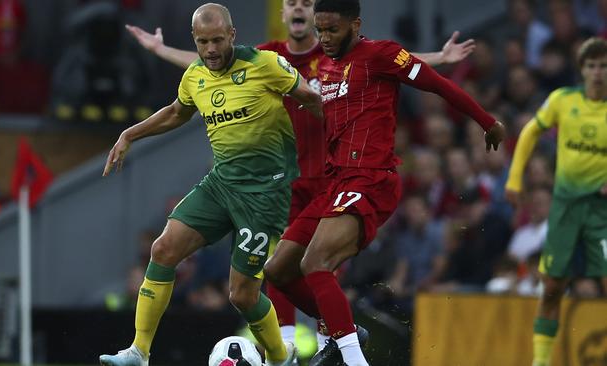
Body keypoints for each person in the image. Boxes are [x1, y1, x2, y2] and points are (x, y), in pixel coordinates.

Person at [125, 0, 475, 355]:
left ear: (315, 15)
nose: (298, 8)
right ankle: (290, 344)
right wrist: (161, 49)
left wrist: (438, 58)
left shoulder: (334, 55)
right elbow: (212, 64)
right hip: (289, 177)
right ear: (283, 14)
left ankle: (331, 340)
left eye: (306, 3)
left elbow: (389, 60)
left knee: (323, 263)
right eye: (291, 2)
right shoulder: (268, 56)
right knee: (280, 261)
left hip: (332, 176)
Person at [259, 0, 505, 364]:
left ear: (355, 25)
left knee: (315, 263)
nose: (324, 38)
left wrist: (487, 121)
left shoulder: (383, 55)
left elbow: (438, 85)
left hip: (371, 179)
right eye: (320, 30)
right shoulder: (325, 68)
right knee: (277, 270)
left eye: (332, 30)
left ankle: (353, 357)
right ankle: (341, 328)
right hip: (333, 184)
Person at [98, 3, 323, 366]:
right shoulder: (195, 76)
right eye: (204, 42)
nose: (212, 50)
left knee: (242, 295)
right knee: (163, 249)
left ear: (232, 35)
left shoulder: (265, 65)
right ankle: (139, 352)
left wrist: (345, 148)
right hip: (220, 185)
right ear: (195, 40)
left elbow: (313, 101)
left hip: (265, 195)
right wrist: (129, 134)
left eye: (218, 40)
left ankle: (281, 359)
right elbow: (176, 112)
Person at [505, 37, 607, 366]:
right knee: (551, 287)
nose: (598, 72)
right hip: (565, 208)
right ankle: (541, 362)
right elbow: (530, 132)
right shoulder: (563, 100)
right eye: (592, 66)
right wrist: (515, 179)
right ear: (582, 69)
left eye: (604, 65)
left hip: (600, 211)